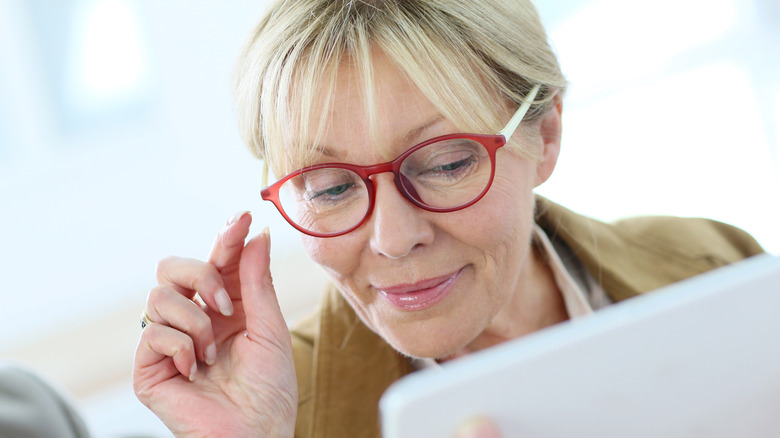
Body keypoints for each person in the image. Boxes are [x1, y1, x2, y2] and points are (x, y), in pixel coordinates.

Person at [132, 1, 764, 437]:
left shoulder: (717, 262)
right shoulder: (273, 413)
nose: (394, 237)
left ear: (544, 135)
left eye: (445, 164)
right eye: (328, 189)